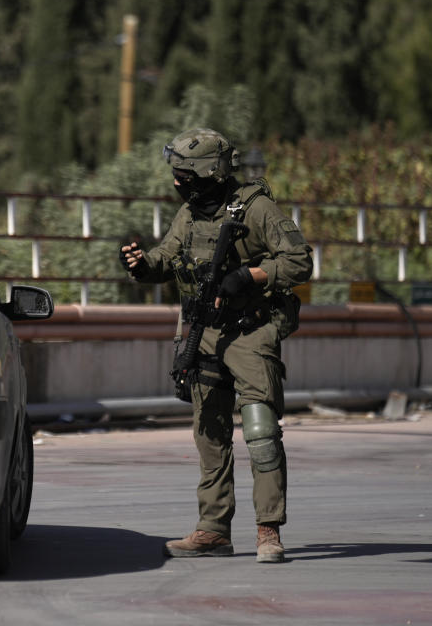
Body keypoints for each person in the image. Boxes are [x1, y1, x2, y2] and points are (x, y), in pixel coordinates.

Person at [119, 128, 312, 563]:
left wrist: (249, 276)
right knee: (210, 434)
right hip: (203, 332)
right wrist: (141, 265)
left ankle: (268, 531)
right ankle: (213, 530)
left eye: (184, 174)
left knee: (260, 430)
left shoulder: (257, 208)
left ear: (209, 172)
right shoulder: (188, 214)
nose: (176, 182)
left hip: (250, 330)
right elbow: (166, 259)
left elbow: (300, 260)